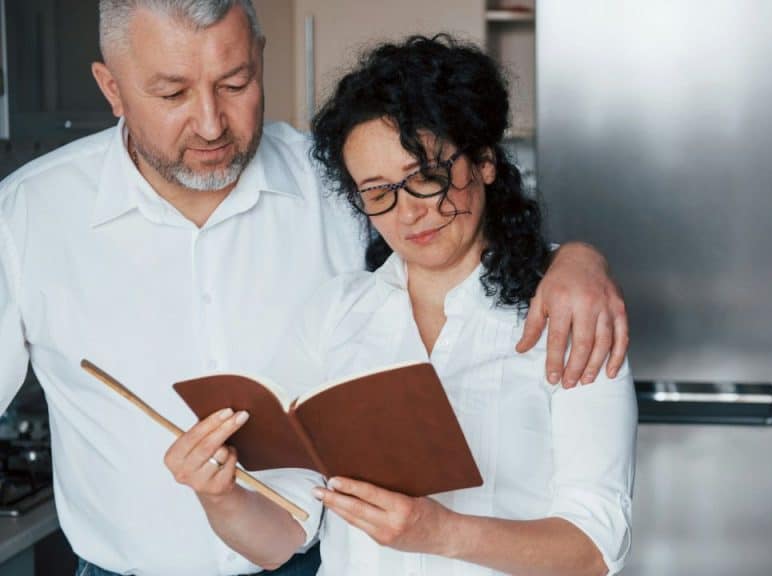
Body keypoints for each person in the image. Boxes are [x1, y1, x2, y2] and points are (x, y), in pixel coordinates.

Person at [0, 2, 629, 575]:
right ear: (112, 88)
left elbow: (597, 543)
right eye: (172, 92)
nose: (212, 123)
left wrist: (580, 261)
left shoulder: (329, 173)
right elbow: (289, 518)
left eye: (235, 83)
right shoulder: (28, 213)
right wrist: (218, 495)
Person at [166, 35, 637, 576]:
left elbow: (596, 547)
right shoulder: (336, 313)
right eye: (377, 191)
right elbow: (282, 537)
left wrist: (441, 533)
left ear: (484, 160)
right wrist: (220, 496)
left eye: (426, 178)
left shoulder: (570, 310)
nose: (408, 213)